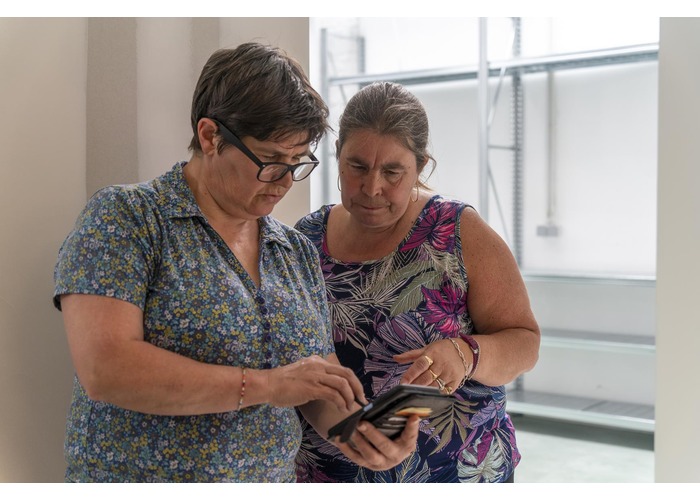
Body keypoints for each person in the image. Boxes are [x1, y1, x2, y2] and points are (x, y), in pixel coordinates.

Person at [52, 44, 419, 483]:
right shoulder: (129, 218)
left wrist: (359, 434)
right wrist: (268, 386)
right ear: (210, 136)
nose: (284, 181)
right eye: (270, 161)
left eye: (297, 161)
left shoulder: (295, 251)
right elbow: (106, 369)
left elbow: (315, 391)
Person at [294, 81, 540, 483]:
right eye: (357, 166)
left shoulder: (459, 232)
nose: (372, 187)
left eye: (393, 171)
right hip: (331, 473)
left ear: (421, 167)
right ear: (337, 157)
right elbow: (297, 360)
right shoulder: (305, 240)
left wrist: (466, 354)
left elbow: (524, 343)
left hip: (455, 474)